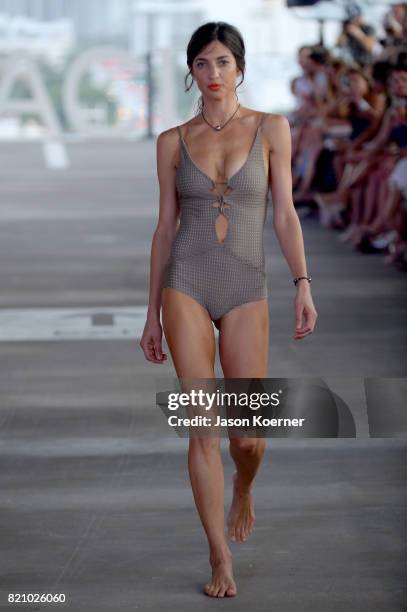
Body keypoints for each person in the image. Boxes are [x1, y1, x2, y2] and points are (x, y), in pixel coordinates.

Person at [140, 21, 318, 598]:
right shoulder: (173, 140)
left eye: (221, 63)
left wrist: (304, 283)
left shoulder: (271, 128)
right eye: (201, 65)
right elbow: (165, 229)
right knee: (202, 430)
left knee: (247, 437)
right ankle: (219, 557)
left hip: (246, 285)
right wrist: (150, 313)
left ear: (240, 67)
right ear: (190, 72)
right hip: (186, 283)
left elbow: (286, 214)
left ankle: (244, 487)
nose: (212, 75)